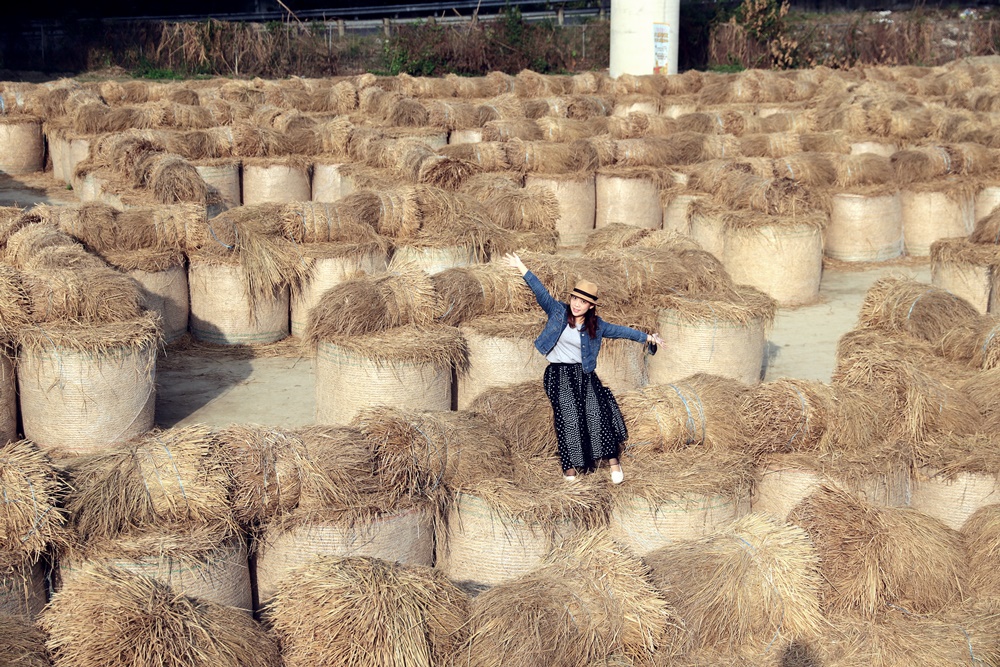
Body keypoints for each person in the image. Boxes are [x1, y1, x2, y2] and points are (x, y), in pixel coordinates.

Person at [504, 252, 664, 484]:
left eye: (584, 302)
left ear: (591, 306)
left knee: (597, 413)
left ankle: (613, 463)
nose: (578, 304)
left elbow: (622, 331)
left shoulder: (597, 326)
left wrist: (647, 337)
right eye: (575, 299)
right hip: (558, 374)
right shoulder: (557, 312)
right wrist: (521, 266)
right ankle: (570, 471)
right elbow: (540, 292)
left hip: (584, 374)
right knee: (568, 417)